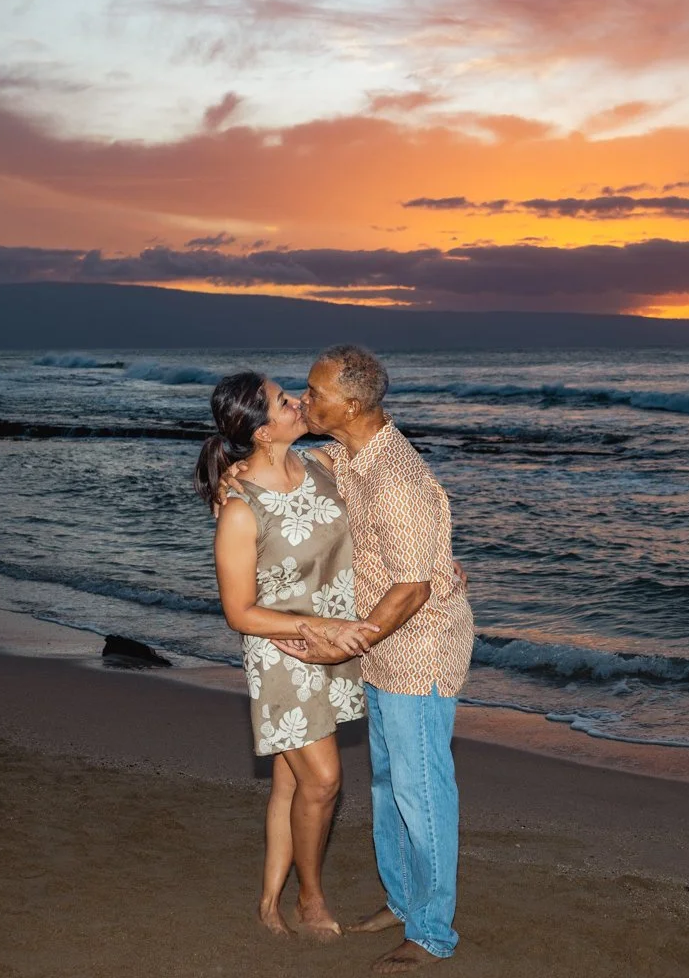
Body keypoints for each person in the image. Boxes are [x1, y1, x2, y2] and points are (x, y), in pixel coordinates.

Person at [274, 345, 476, 974]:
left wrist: (347, 639)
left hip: (418, 651)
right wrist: (248, 466)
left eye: (314, 392)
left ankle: (434, 932)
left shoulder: (400, 480)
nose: (304, 400)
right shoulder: (352, 455)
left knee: (422, 793)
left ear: (352, 404)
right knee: (388, 786)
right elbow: (304, 463)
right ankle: (402, 899)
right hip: (384, 651)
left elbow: (414, 586)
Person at [195, 371, 378, 940]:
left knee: (290, 784)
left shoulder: (323, 464)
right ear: (260, 429)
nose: (298, 402)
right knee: (323, 781)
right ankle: (310, 898)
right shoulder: (240, 507)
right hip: (283, 652)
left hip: (331, 644)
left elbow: (384, 512)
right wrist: (317, 627)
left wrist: (434, 559)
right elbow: (240, 611)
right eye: (282, 401)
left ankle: (268, 901)